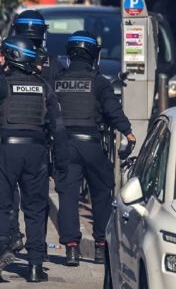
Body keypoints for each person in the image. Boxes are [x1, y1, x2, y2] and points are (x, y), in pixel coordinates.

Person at [0, 36, 67, 283]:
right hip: (37, 153)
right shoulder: (44, 86)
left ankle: (2, 247)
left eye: (4, 55)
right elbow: (59, 127)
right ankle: (34, 266)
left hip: (6, 152)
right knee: (35, 210)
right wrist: (60, 163)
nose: (0, 59)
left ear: (12, 57)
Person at [54, 31, 135, 266]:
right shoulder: (98, 82)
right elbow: (113, 110)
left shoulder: (58, 80)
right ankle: (101, 247)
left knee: (67, 196)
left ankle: (71, 249)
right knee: (102, 191)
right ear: (92, 55)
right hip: (91, 144)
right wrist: (128, 132)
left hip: (64, 146)